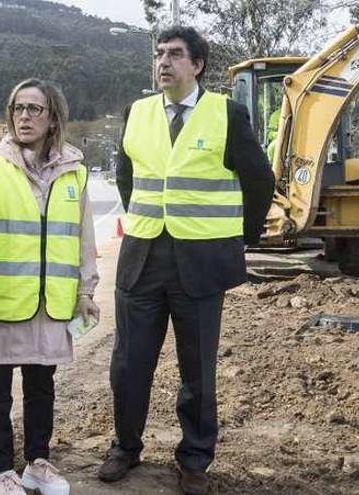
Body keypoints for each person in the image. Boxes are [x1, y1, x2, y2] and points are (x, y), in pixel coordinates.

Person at [97, 26, 275, 494]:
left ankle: (195, 459)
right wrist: (147, 219)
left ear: (197, 65)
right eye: (159, 54)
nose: (163, 62)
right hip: (142, 257)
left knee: (197, 369)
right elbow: (127, 178)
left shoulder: (227, 114)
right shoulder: (136, 113)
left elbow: (260, 181)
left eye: (175, 54)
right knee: (129, 363)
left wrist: (239, 239)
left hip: (200, 262)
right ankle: (125, 447)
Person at [0, 78, 100, 495]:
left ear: (53, 118)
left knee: (41, 387)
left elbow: (82, 236)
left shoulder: (75, 170)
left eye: (34, 109)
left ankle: (37, 462)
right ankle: (0, 471)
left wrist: (85, 290)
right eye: (18, 108)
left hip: (49, 303)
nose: (24, 116)